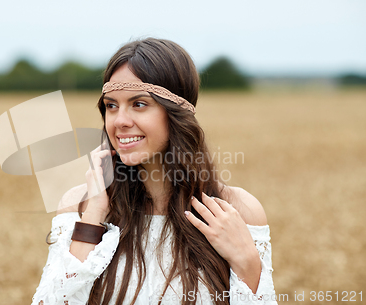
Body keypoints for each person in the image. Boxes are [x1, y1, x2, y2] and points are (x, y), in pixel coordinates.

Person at [31, 37, 278, 305]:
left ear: (177, 113)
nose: (120, 121)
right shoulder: (77, 207)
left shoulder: (236, 210)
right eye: (111, 105)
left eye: (139, 104)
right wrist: (93, 217)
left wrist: (248, 263)